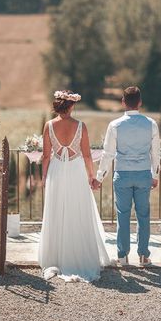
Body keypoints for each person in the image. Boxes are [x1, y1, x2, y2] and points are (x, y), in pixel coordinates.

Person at [38, 90, 110, 282]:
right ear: (71, 106)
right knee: (77, 210)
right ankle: (78, 256)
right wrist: (91, 177)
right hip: (77, 171)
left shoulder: (48, 126)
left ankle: (55, 257)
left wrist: (44, 177)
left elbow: (46, 156)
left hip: (56, 171)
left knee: (56, 211)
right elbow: (87, 155)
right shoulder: (81, 126)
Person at [93, 86, 161, 266]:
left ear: (123, 102)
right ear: (140, 102)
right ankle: (144, 255)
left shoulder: (114, 125)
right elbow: (156, 153)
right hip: (143, 174)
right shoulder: (151, 124)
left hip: (122, 174)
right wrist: (155, 175)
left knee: (122, 215)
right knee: (143, 215)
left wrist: (99, 178)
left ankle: (122, 257)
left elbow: (108, 154)